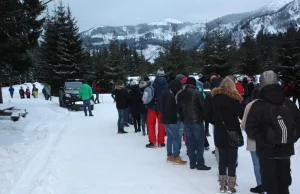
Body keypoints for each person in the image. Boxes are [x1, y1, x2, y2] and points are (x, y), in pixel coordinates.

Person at [246, 71, 300, 194]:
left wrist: (264, 140)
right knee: (283, 184)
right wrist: (290, 138)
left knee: (270, 186)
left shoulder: (257, 105)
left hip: (266, 151)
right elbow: (298, 124)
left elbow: (250, 128)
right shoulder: (289, 104)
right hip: (285, 150)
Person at [211, 77, 244, 193]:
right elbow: (241, 114)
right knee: (232, 159)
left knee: (222, 159)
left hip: (220, 131)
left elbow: (210, 116)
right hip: (233, 131)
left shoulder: (214, 98)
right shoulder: (233, 99)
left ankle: (222, 184)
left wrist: (217, 122)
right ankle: (231, 185)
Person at [177, 77, 211, 171]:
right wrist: (204, 117)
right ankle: (200, 163)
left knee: (190, 142)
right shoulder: (197, 93)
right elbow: (203, 107)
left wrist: (183, 118)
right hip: (197, 121)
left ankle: (192, 163)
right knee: (199, 143)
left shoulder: (181, 94)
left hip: (186, 121)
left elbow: (179, 108)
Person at [241, 88, 264, 193]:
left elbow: (244, 124)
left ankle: (260, 184)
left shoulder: (249, 106)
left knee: (256, 163)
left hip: (253, 139)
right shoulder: (269, 104)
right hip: (267, 139)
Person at [160, 79, 186, 165]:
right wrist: (175, 119)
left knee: (170, 138)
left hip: (165, 119)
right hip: (170, 121)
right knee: (176, 138)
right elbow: (169, 109)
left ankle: (170, 155)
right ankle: (175, 156)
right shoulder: (169, 94)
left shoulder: (166, 92)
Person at [145, 68, 168, 148]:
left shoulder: (151, 83)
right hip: (162, 107)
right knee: (162, 124)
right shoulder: (166, 84)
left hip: (152, 106)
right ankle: (161, 142)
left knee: (150, 124)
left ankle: (152, 141)